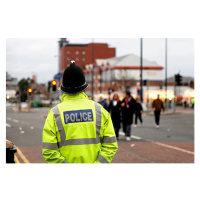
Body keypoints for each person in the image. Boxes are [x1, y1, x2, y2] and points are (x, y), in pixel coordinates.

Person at [42, 61, 118, 163]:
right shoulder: (99, 110)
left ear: (63, 86)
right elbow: (111, 145)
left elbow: (49, 151)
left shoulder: (55, 113)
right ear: (84, 86)